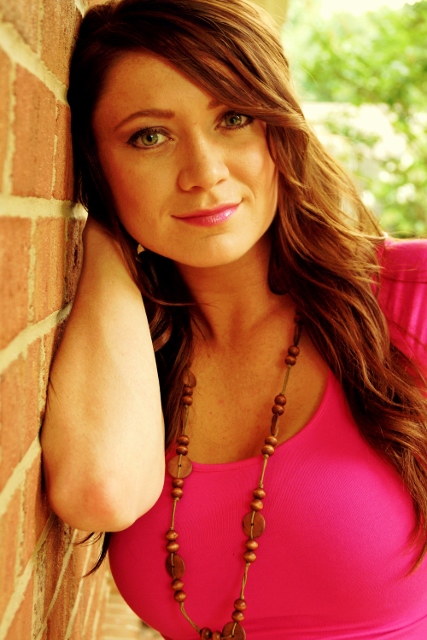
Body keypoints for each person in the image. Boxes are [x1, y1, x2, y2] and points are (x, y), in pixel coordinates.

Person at [41, 0, 427, 638]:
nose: (204, 173)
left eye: (234, 118)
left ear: (280, 131)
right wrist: (105, 240)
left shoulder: (411, 295)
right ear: (97, 165)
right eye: (149, 136)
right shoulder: (133, 348)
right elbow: (100, 491)